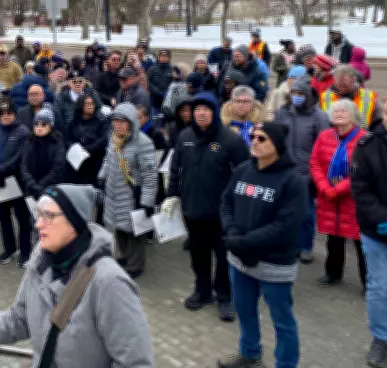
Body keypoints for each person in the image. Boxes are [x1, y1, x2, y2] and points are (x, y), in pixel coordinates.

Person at [0, 184, 154, 367]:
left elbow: (135, 362)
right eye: (38, 214)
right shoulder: (42, 258)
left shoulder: (109, 283)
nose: (37, 223)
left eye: (48, 216)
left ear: (74, 223)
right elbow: (18, 319)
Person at [218, 121, 306, 368]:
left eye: (262, 138)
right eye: (253, 137)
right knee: (245, 311)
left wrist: (244, 242)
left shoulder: (292, 181)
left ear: (276, 145)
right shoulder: (244, 170)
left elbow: (286, 226)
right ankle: (250, 353)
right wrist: (233, 232)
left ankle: (286, 364)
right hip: (240, 258)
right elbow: (226, 202)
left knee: (282, 320)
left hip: (274, 264)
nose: (254, 142)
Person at [164, 92, 251, 320]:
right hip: (192, 209)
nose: (201, 113)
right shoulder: (184, 137)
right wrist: (171, 195)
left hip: (222, 213)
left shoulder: (230, 140)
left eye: (206, 109)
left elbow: (244, 174)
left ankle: (224, 296)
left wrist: (240, 206)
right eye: (197, 109)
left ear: (214, 112)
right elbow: (175, 169)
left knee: (223, 256)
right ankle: (202, 291)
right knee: (198, 254)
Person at [351, 92, 387, 368]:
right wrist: (384, 221)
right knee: (378, 288)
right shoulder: (367, 145)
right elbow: (360, 189)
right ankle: (381, 337)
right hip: (378, 231)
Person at [309, 98, 368, 289]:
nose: (339, 114)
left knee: (361, 242)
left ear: (353, 115)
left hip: (354, 198)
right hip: (329, 197)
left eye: (344, 110)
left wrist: (338, 189)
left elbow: (364, 171)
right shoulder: (325, 136)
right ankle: (333, 273)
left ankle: (369, 282)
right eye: (335, 111)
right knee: (333, 237)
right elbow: (315, 163)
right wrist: (325, 188)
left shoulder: (365, 139)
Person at [98, 103, 157, 278]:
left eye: (123, 121)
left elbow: (149, 175)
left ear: (131, 122)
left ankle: (135, 265)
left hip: (133, 194)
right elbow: (108, 160)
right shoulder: (113, 138)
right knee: (119, 227)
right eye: (115, 121)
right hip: (114, 191)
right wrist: (102, 176)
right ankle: (123, 257)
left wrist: (147, 201)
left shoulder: (143, 143)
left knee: (134, 231)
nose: (118, 125)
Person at [275, 78, 330, 263]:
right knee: (283, 210)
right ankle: (287, 243)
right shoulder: (283, 112)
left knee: (306, 212)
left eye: (300, 94)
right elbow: (276, 138)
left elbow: (325, 145)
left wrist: (317, 173)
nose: (296, 97)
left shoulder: (319, 116)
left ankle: (305, 246)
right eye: (294, 93)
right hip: (283, 169)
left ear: (308, 95)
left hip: (307, 173)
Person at [0, 99, 32, 267]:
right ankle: (9, 248)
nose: (5, 116)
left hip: (16, 182)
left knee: (22, 219)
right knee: (4, 217)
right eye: (2, 113)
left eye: (9, 113)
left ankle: (26, 251)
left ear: (14, 114)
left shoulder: (23, 131)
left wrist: (0, 169)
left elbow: (19, 157)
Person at [20, 108, 66, 201]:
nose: (39, 127)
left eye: (43, 124)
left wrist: (42, 184)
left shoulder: (57, 142)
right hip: (31, 188)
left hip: (51, 188)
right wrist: (31, 183)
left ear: (51, 126)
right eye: (36, 124)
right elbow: (24, 165)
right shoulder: (29, 141)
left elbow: (58, 167)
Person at [67, 94, 109, 187]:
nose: (91, 106)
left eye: (92, 103)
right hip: (77, 162)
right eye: (87, 104)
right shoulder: (73, 122)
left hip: (95, 160)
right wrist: (75, 148)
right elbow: (68, 139)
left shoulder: (101, 120)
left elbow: (103, 139)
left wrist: (88, 149)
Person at [320, 64, 380, 129]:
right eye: (339, 84)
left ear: (354, 79)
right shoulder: (326, 97)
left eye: (344, 84)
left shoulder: (368, 98)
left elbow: (378, 123)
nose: (341, 87)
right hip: (332, 138)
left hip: (362, 138)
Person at [147, 49, 174, 126]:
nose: (164, 58)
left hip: (168, 102)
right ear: (158, 57)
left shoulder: (172, 69)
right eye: (162, 56)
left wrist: (166, 92)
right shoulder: (152, 69)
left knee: (167, 123)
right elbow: (149, 82)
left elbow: (173, 82)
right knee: (156, 123)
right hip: (155, 101)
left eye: (166, 56)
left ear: (169, 58)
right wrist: (158, 92)